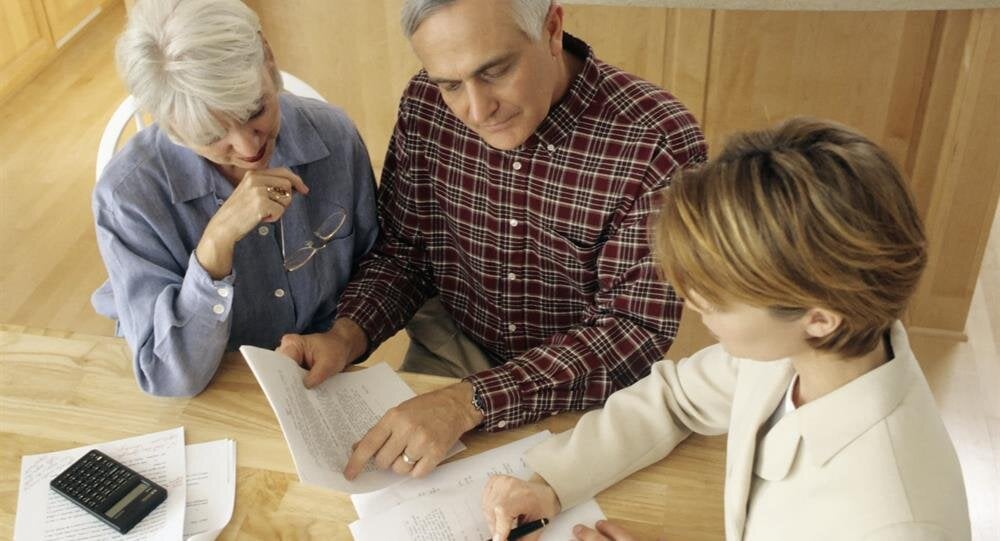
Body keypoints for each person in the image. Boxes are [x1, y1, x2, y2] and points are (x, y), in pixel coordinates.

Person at [481, 118, 971, 541]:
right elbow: (676, 397)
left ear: (819, 318)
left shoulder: (895, 521)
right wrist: (552, 483)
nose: (692, 303)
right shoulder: (814, 351)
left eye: (715, 296)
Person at [278, 0, 706, 478]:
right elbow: (406, 252)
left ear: (552, 28)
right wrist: (346, 334)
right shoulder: (424, 104)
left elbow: (632, 330)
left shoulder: (657, 140)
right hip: (453, 345)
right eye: (451, 84)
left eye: (496, 71)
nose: (477, 111)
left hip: (589, 383)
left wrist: (468, 402)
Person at [92, 0, 378, 397]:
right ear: (169, 123)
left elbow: (379, 270)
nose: (247, 148)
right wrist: (214, 248)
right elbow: (168, 379)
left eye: (254, 110)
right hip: (208, 389)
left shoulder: (334, 136)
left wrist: (344, 339)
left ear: (269, 59)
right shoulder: (127, 197)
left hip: (320, 379)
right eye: (211, 134)